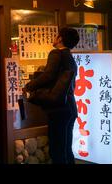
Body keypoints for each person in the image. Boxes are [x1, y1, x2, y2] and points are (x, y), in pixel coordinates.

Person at [23, 27, 80, 164]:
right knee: (66, 148)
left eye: (56, 36)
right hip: (70, 108)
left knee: (57, 151)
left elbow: (48, 75)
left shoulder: (56, 53)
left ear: (60, 39)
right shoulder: (70, 58)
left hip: (59, 109)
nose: (54, 38)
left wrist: (28, 86)